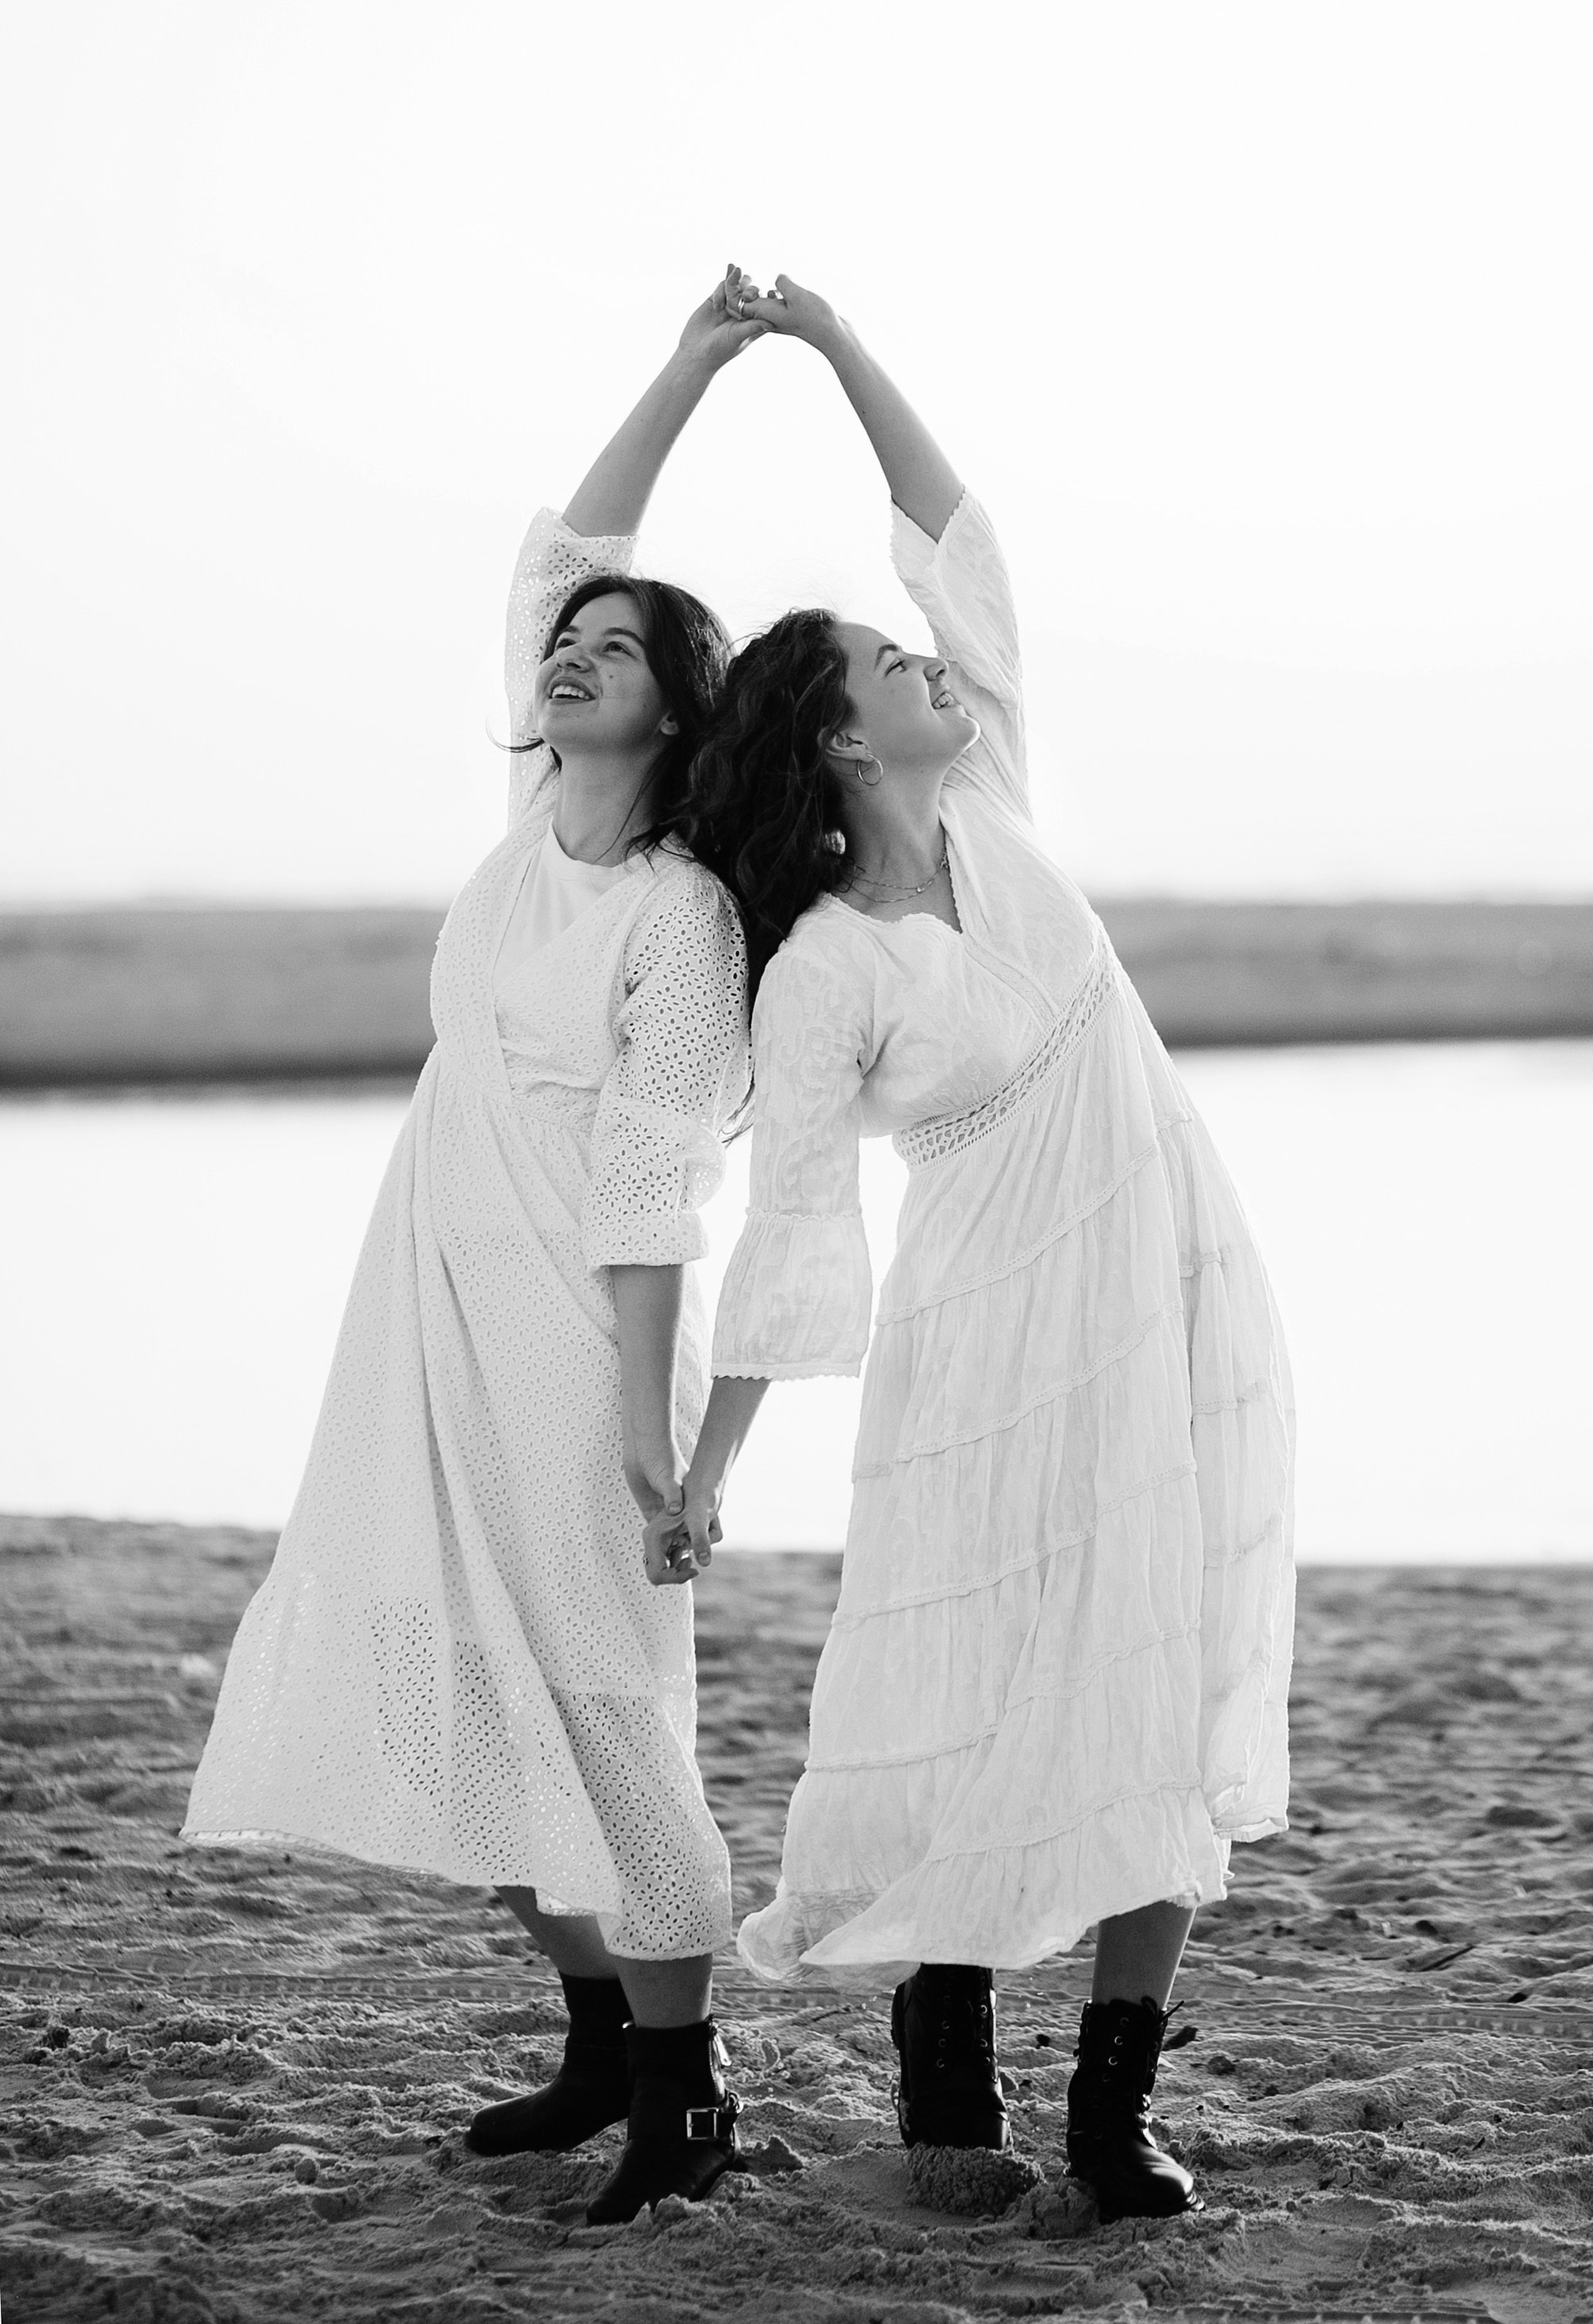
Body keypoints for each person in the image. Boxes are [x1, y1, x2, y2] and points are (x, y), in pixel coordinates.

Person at [670, 277, 1298, 2222]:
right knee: (974, 1684)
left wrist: (843, 347)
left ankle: (1110, 2106)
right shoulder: (826, 968)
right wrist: (706, 1465)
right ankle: (948, 2069)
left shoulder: (997, 800)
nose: (929, 664)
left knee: (1157, 1661)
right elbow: (787, 1224)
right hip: (985, 1332)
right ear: (842, 747)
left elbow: (960, 547)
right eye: (888, 664)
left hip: (1166, 1277)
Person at [183, 270, 765, 2226]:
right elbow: (572, 542)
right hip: (420, 1303)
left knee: (607, 1698)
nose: (574, 649)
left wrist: (634, 1412)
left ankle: (686, 2101)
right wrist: (686, 366)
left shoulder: (677, 914)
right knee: (445, 1680)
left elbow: (656, 1177)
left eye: (616, 648)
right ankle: (601, 2030)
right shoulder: (526, 848)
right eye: (565, 645)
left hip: (573, 1328)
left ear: (675, 703)